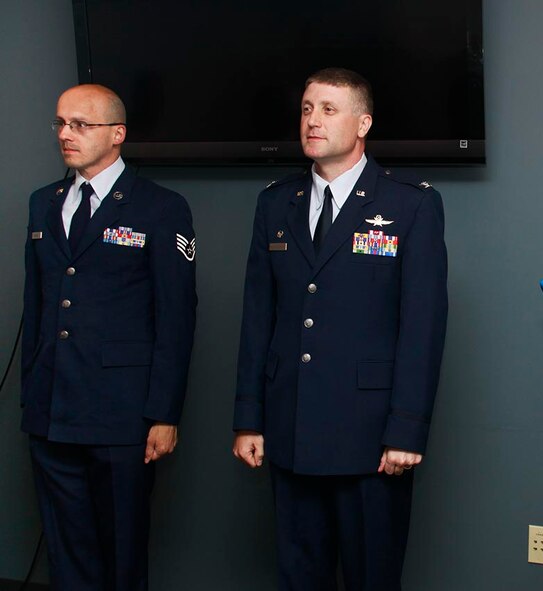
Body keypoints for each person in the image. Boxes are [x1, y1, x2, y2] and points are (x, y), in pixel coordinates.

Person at [232, 68, 448, 590]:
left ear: (363, 122)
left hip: (370, 438)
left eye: (329, 109)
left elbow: (423, 326)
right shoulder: (274, 203)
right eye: (307, 108)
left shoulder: (409, 204)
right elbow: (257, 317)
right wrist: (248, 419)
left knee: (372, 577)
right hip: (290, 428)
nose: (312, 120)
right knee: (298, 575)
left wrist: (406, 430)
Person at [21, 84, 197, 590]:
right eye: (60, 123)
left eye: (81, 124)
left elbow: (177, 317)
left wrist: (164, 413)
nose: (66, 135)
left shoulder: (160, 208)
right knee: (66, 555)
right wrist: (31, 390)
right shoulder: (43, 203)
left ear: (117, 134)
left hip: (123, 416)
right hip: (51, 410)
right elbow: (36, 307)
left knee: (121, 553)